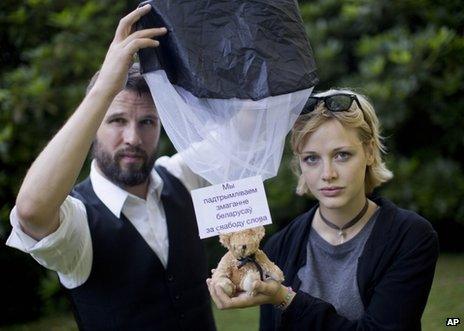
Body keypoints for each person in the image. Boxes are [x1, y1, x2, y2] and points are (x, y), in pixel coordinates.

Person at [6, 5, 216, 331]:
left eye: (147, 122)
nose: (133, 138)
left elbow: (246, 126)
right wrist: (106, 86)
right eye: (117, 120)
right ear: (92, 126)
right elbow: (31, 210)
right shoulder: (78, 220)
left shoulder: (181, 177)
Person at [207, 89, 439, 330]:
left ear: (369, 152)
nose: (328, 174)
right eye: (311, 159)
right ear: (299, 163)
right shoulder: (280, 247)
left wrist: (285, 299)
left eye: (342, 155)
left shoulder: (410, 237)